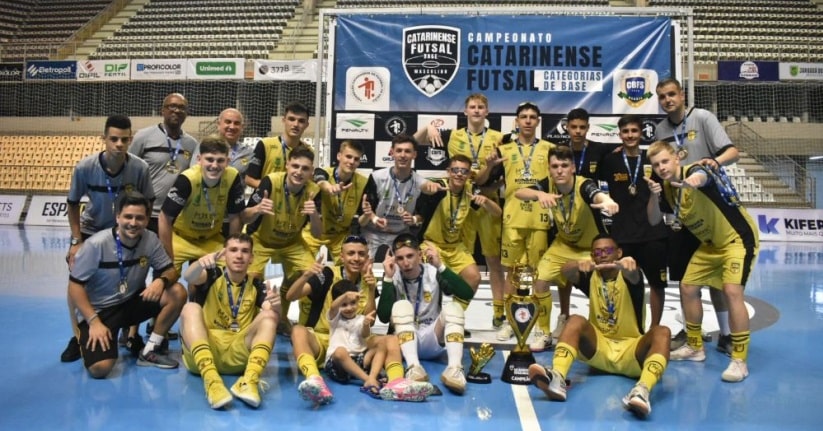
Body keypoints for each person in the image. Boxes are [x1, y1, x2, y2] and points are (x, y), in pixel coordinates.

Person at [646, 141, 757, 382]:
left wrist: (695, 180)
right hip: (710, 245)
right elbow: (654, 220)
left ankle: (739, 360)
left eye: (665, 161)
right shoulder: (665, 188)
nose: (661, 167)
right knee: (687, 287)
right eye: (656, 165)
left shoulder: (694, 170)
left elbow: (702, 175)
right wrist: (654, 197)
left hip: (737, 239)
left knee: (731, 291)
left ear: (677, 158)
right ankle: (695, 347)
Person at [528, 235, 671, 419]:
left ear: (618, 253)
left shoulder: (630, 277)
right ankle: (557, 378)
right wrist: (579, 264)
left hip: (631, 352)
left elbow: (632, 273)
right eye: (597, 252)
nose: (602, 255)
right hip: (599, 349)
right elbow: (565, 271)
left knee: (663, 332)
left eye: (608, 251)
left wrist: (627, 264)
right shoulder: (591, 277)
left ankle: (641, 390)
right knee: (575, 320)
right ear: (592, 256)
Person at [286, 235, 433, 405]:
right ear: (342, 256)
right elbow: (291, 296)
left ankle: (396, 383)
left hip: (356, 342)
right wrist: (306, 276)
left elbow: (369, 323)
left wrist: (371, 289)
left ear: (367, 257)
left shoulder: (367, 278)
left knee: (391, 339)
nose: (356, 258)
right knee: (297, 330)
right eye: (351, 254)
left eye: (361, 254)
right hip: (323, 340)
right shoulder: (327, 274)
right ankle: (314, 380)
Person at [654, 77, 739, 355]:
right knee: (685, 280)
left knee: (716, 281)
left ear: (682, 94)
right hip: (683, 214)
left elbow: (732, 151)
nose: (667, 100)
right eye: (662, 97)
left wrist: (715, 162)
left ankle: (727, 335)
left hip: (711, 210)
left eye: (671, 94)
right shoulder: (660, 130)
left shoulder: (702, 117)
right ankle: (694, 335)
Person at [62, 114, 155, 363]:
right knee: (76, 279)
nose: (119, 144)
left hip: (128, 231)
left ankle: (132, 334)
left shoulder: (139, 168)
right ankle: (78, 335)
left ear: (131, 139)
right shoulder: (85, 167)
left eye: (124, 139)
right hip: (93, 230)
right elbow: (72, 204)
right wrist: (76, 241)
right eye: (113, 139)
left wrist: (141, 230)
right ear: (103, 138)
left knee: (136, 278)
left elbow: (148, 201)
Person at [67, 191, 186, 378]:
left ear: (147, 220)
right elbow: (74, 286)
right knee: (100, 369)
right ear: (117, 217)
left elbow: (170, 270)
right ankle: (83, 338)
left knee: (177, 292)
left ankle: (150, 350)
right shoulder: (96, 245)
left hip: (131, 302)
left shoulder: (150, 239)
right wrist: (94, 322)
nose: (133, 223)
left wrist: (160, 281)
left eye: (139, 218)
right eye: (128, 217)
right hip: (101, 311)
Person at [414, 93, 507, 330]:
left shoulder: (500, 138)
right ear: (465, 111)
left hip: (483, 197)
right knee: (453, 257)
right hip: (458, 200)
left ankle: (498, 312)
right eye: (472, 107)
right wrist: (428, 129)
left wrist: (491, 180)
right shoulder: (454, 135)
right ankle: (434, 314)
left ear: (487, 112)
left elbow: (506, 172)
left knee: (493, 260)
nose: (476, 111)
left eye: (481, 107)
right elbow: (414, 143)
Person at [514, 146, 619, 351]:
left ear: (572, 168)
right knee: (540, 280)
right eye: (555, 166)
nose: (559, 170)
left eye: (564, 166)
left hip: (590, 249)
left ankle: (602, 331)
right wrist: (538, 194)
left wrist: (607, 200)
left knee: (601, 290)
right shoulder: (548, 185)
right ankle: (544, 333)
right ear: (549, 169)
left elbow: (596, 194)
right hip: (562, 245)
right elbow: (519, 192)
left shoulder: (583, 184)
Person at [476, 102, 555, 341]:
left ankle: (542, 327)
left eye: (532, 117)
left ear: (538, 121)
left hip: (540, 218)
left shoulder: (550, 149)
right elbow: (482, 182)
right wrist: (488, 165)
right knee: (512, 273)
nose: (528, 121)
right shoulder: (504, 150)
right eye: (524, 117)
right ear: (517, 122)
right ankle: (512, 322)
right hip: (512, 217)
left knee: (539, 275)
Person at [180, 233, 280, 409]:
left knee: (270, 316)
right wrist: (199, 264)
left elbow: (269, 314)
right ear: (225, 255)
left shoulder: (257, 285)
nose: (239, 255)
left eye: (245, 251)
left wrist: (276, 305)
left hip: (239, 353)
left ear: (251, 258)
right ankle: (211, 381)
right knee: (190, 309)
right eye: (233, 250)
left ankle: (249, 381)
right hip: (206, 350)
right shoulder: (212, 275)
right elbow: (189, 277)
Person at [377, 234, 475, 395]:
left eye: (410, 256)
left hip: (432, 336)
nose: (406, 262)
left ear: (420, 255)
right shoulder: (393, 275)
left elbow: (466, 293)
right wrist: (387, 278)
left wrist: (441, 266)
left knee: (454, 308)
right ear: (394, 259)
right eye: (400, 258)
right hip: (405, 341)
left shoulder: (433, 272)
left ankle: (455, 369)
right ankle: (414, 368)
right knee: (402, 306)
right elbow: (383, 316)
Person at [597, 115, 669, 327]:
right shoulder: (611, 160)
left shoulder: (651, 159)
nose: (630, 135)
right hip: (623, 234)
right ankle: (630, 327)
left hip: (653, 233)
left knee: (657, 285)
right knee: (626, 284)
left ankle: (655, 328)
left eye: (634, 131)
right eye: (625, 132)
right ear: (619, 134)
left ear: (641, 133)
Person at [243, 146, 322, 330]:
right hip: (261, 242)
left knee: (316, 277)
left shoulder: (314, 191)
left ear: (311, 171)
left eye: (305, 168)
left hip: (292, 244)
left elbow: (318, 234)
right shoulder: (270, 182)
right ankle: (248, 323)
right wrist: (257, 209)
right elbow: (245, 217)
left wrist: (314, 215)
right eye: (295, 166)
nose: (299, 172)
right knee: (246, 279)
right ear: (287, 165)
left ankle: (306, 326)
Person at [414, 154, 502, 301]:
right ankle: (425, 315)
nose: (459, 174)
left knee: (474, 278)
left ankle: (454, 314)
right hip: (431, 244)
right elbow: (421, 194)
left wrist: (486, 201)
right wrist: (427, 188)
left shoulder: (471, 190)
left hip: (455, 246)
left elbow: (498, 213)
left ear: (469, 175)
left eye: (464, 171)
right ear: (448, 171)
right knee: (427, 281)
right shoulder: (437, 187)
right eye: (455, 170)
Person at [158, 135, 245, 274]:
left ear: (228, 161)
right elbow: (164, 218)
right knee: (167, 277)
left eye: (220, 160)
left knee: (233, 271)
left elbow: (235, 217)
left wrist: (231, 248)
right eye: (209, 159)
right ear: (199, 160)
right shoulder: (187, 179)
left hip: (211, 239)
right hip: (181, 239)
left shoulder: (232, 177)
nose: (214, 165)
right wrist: (169, 257)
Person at [359, 134, 440, 259]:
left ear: (414, 155)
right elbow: (366, 212)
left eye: (407, 151)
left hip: (400, 234)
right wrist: (375, 219)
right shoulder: (377, 177)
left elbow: (422, 216)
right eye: (399, 151)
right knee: (363, 266)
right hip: (373, 232)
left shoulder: (421, 183)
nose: (403, 155)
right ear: (392, 153)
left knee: (410, 265)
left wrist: (413, 219)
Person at [129, 93, 199, 233]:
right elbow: (129, 172)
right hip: (146, 214)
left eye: (182, 107)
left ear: (186, 113)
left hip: (176, 214)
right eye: (172, 106)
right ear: (163, 110)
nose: (177, 110)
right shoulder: (143, 136)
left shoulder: (192, 144)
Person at [192, 108, 255, 237]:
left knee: (230, 252)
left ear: (242, 127)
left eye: (236, 123)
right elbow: (195, 172)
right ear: (218, 124)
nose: (232, 127)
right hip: (205, 214)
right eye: (228, 122)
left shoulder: (248, 153)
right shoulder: (203, 146)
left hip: (232, 216)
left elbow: (255, 177)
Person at [306, 140, 368, 262]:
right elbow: (320, 179)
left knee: (350, 267)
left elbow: (362, 219)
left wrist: (369, 214)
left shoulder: (363, 182)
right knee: (301, 267)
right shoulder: (324, 173)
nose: (351, 162)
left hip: (340, 235)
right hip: (315, 232)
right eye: (348, 157)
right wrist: (329, 188)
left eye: (356, 159)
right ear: (339, 156)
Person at [324, 279, 386, 398]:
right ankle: (368, 379)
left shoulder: (361, 318)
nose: (349, 308)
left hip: (359, 361)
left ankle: (372, 377)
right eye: (344, 304)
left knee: (381, 346)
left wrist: (366, 324)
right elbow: (333, 307)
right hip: (337, 366)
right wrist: (346, 295)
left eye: (353, 303)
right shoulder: (335, 318)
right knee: (340, 352)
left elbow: (364, 335)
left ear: (358, 301)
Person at [245, 102, 311, 189]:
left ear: (307, 125)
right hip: (267, 200)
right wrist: (273, 190)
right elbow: (249, 179)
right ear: (284, 121)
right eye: (291, 119)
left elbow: (308, 181)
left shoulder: (308, 150)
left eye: (301, 121)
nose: (296, 124)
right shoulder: (265, 145)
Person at [563, 108, 612, 180]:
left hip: (592, 190)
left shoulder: (600, 149)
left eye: (582, 127)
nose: (578, 131)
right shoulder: (560, 150)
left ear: (588, 127)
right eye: (574, 127)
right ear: (567, 127)